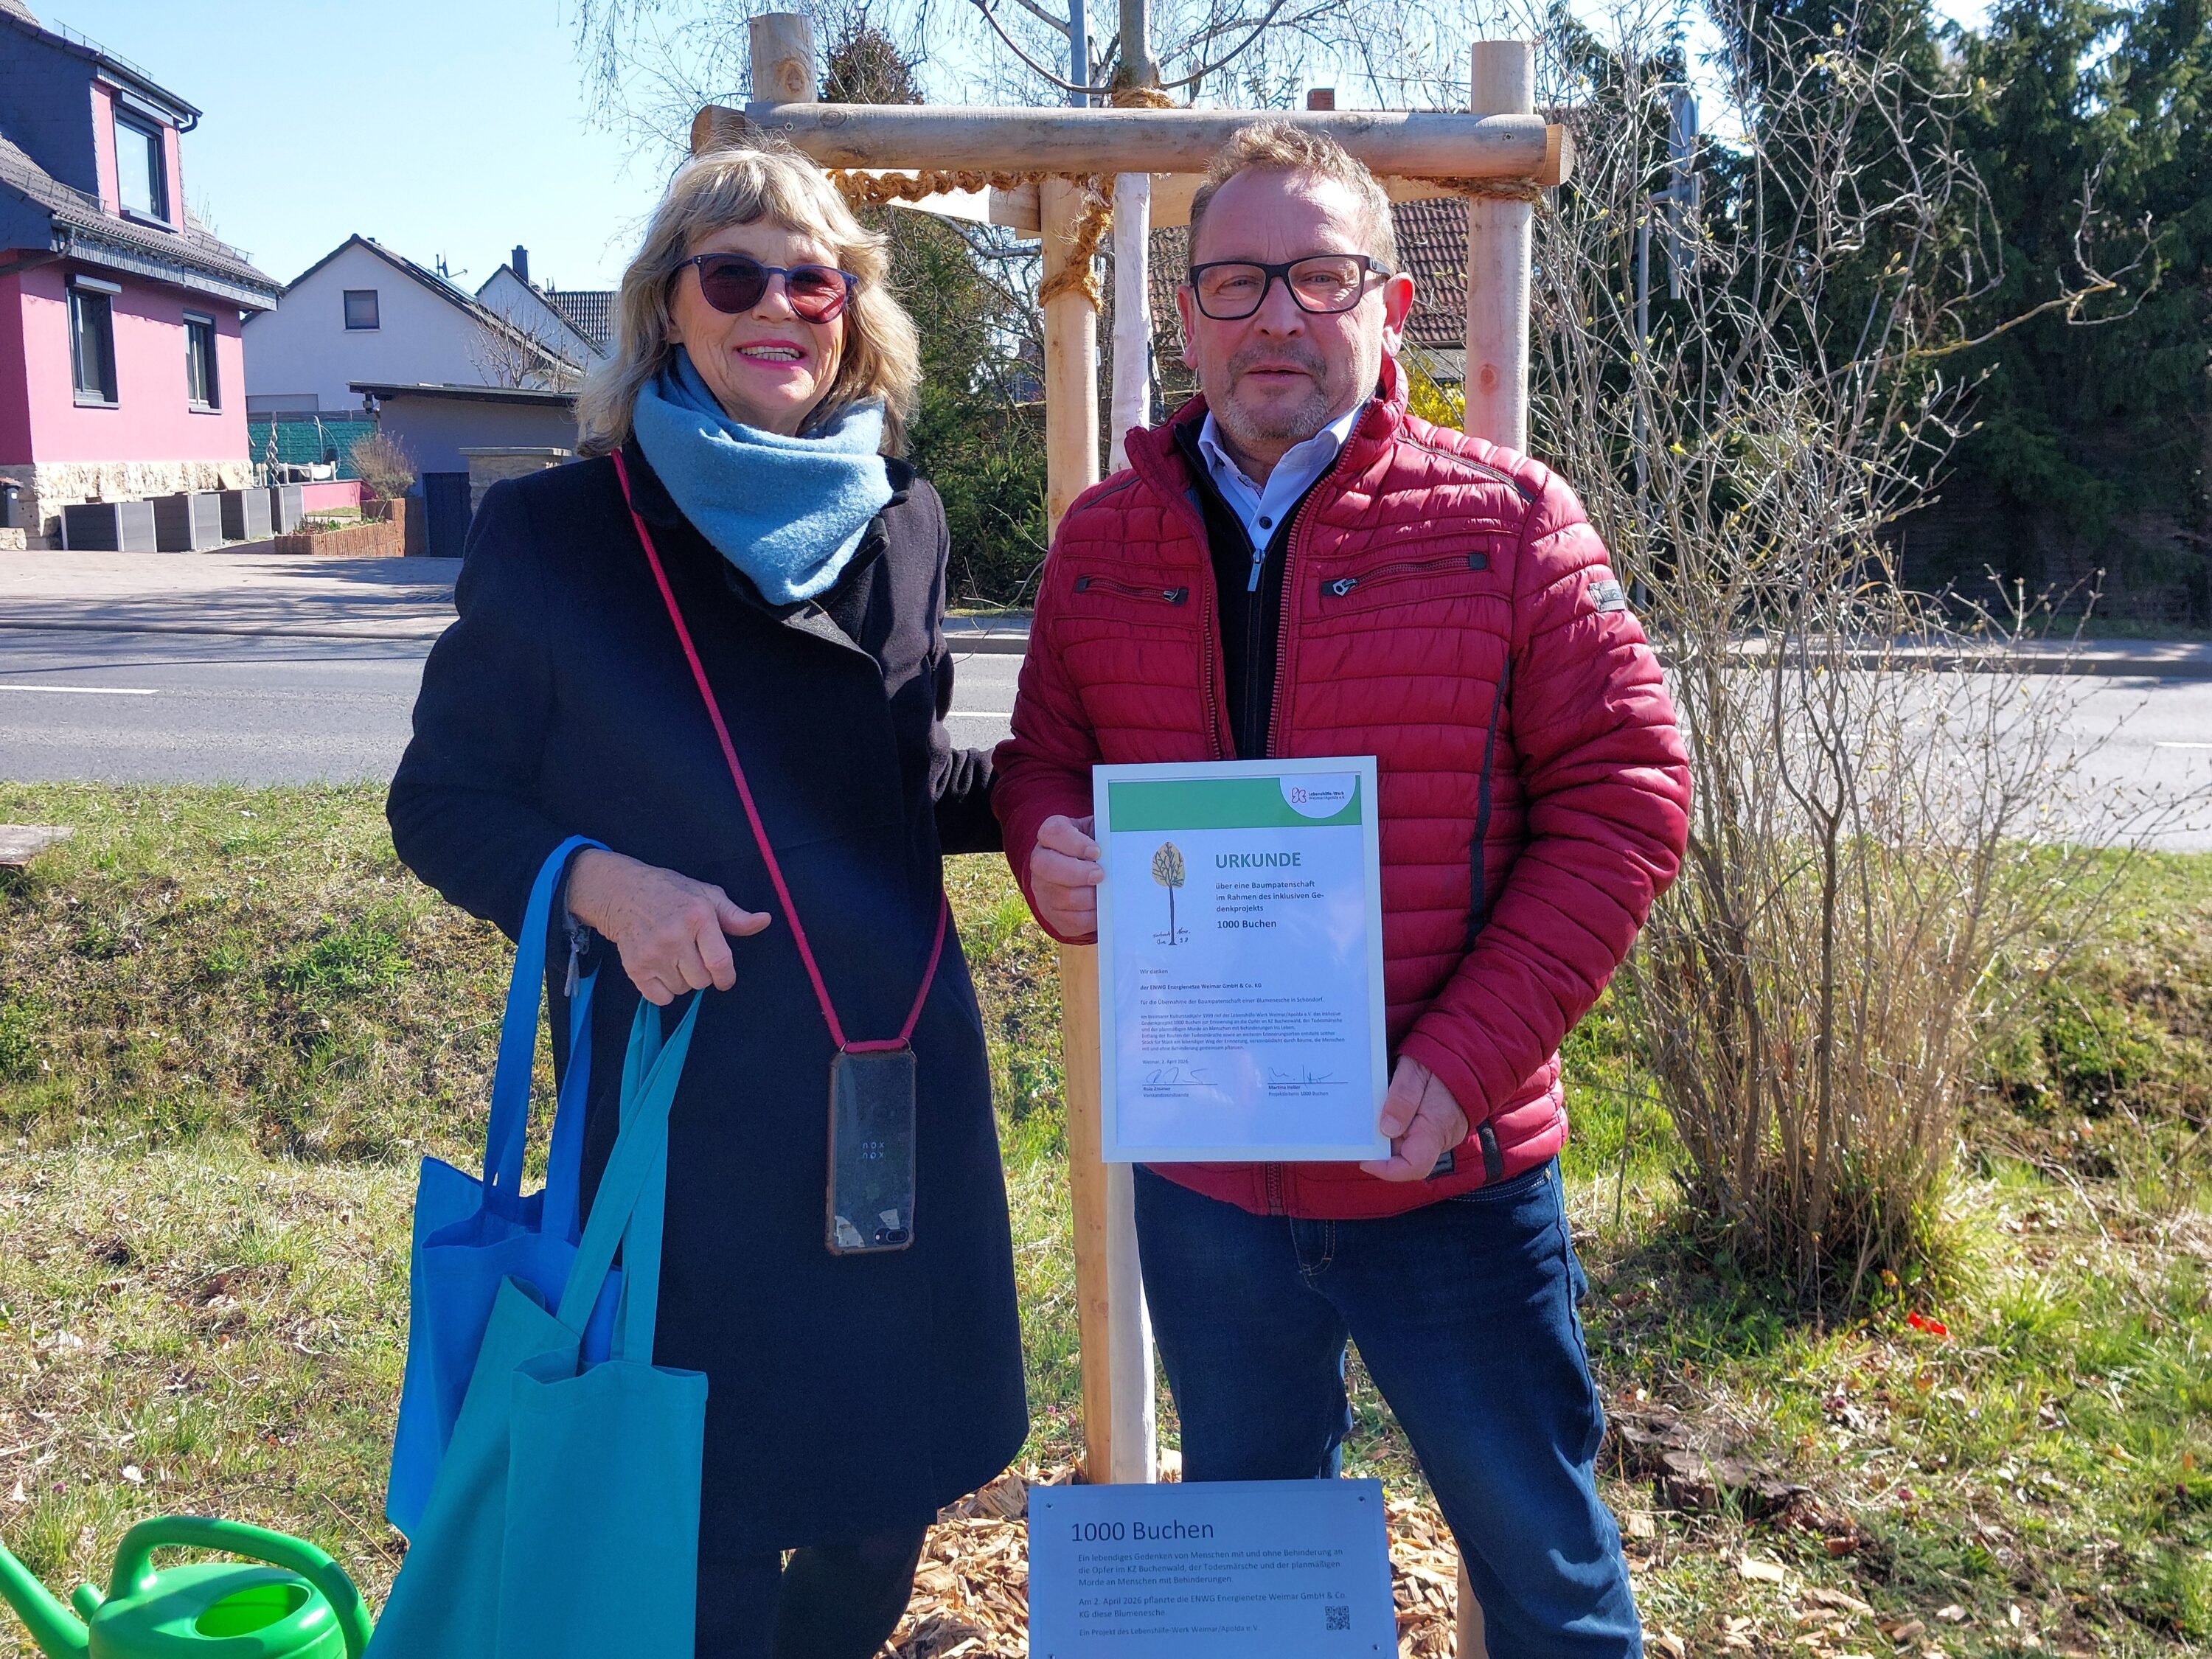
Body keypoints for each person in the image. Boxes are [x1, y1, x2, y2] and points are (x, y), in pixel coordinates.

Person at [994, 122, 1691, 1658]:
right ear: (1187, 316)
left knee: (1547, 1578)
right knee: (1255, 1583)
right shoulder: (1103, 541)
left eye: (1320, 275)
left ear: (1390, 303)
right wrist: (1049, 849)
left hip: (1444, 1167)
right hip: (1210, 1185)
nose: (1278, 317)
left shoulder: (1507, 522)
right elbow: (1042, 760)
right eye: (1237, 282)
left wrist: (1464, 1061)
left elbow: (1630, 798)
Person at [386, 142, 1026, 1659]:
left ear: (855, 309)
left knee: (886, 1497)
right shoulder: (560, 535)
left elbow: (906, 779)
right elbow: (442, 803)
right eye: (733, 275)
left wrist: (1077, 802)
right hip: (686, 1107)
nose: (777, 307)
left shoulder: (904, 517)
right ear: (666, 308)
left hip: (891, 1076)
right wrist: (604, 888)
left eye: (816, 279)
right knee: (703, 1516)